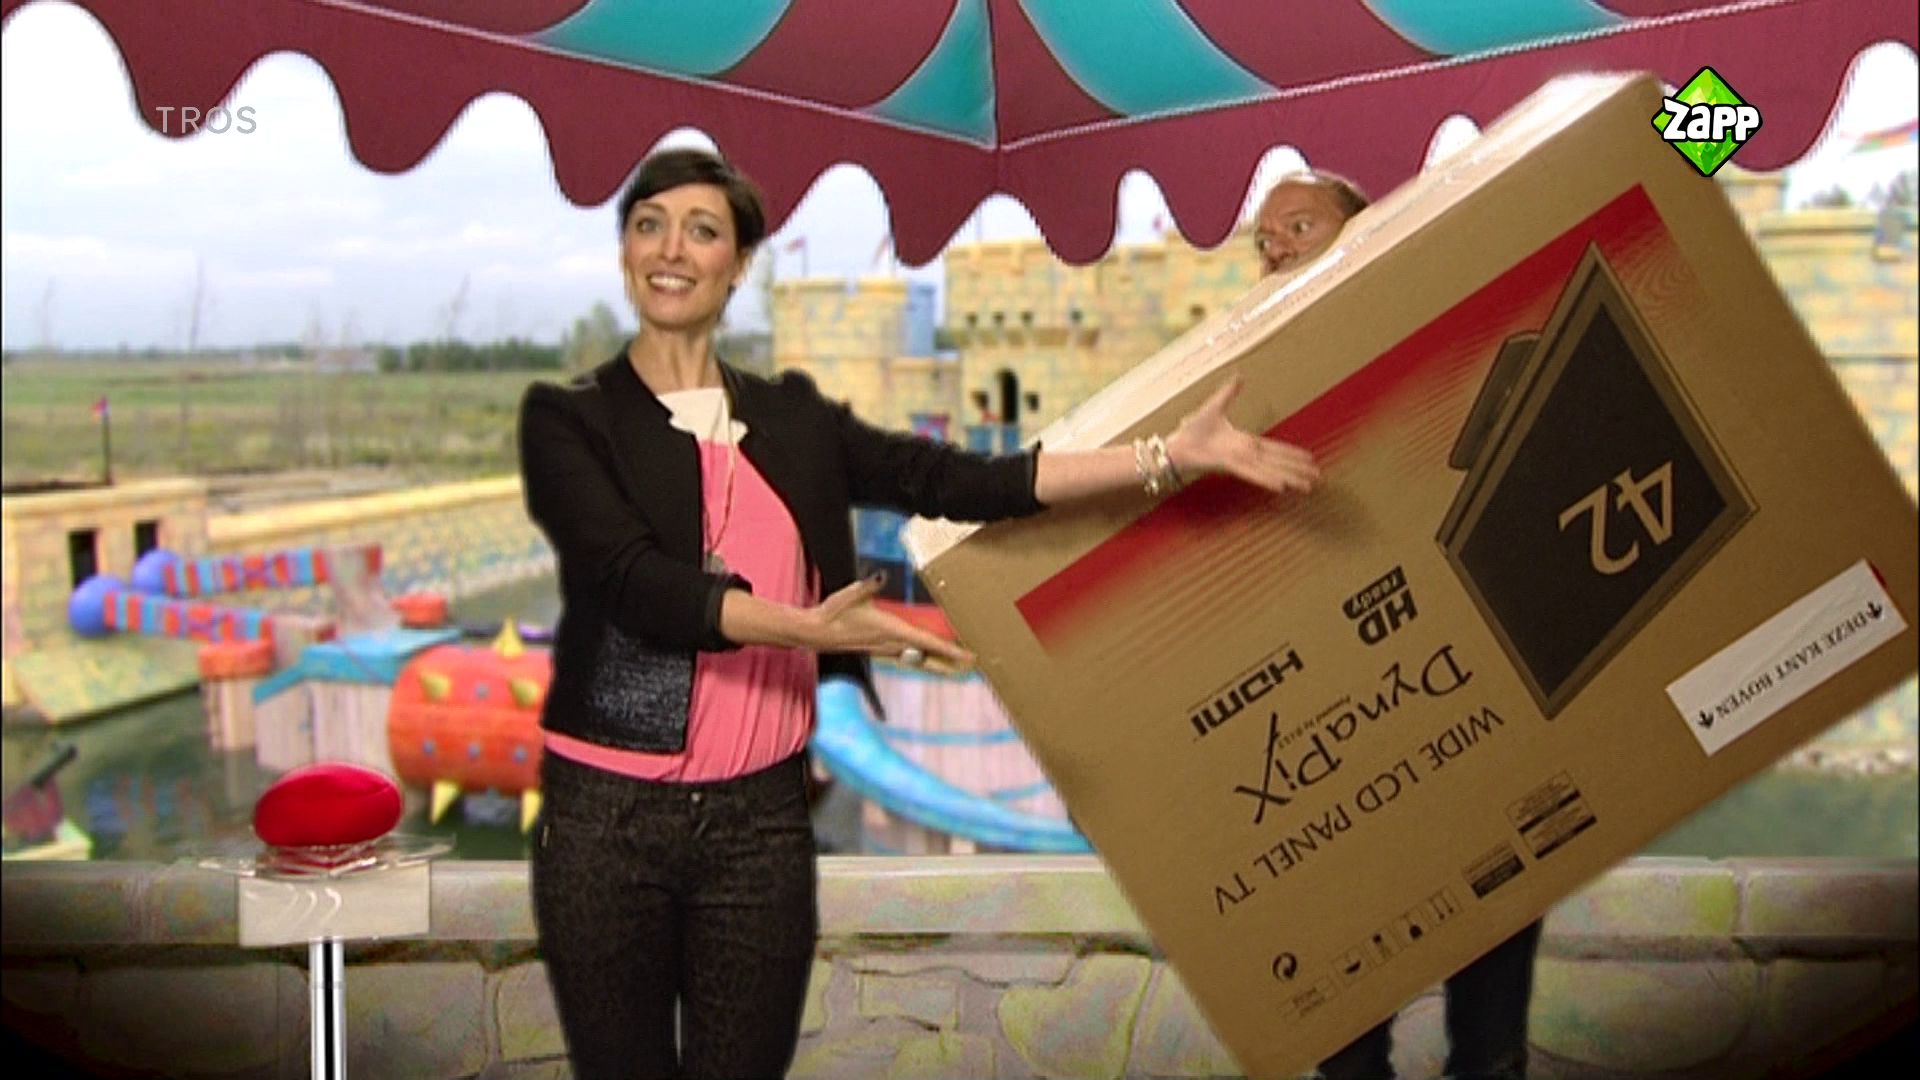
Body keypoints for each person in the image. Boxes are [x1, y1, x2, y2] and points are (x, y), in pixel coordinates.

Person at [517, 146, 1323, 1080]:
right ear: (624, 252)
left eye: (702, 230)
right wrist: (809, 629)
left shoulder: (795, 420)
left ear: (738, 264)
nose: (671, 249)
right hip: (608, 819)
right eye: (649, 226)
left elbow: (964, 480)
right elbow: (633, 582)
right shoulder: (568, 419)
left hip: (758, 823)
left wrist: (1165, 458)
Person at [1254, 169, 1545, 1080]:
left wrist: (1701, 113)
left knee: (1491, 1036)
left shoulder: (1440, 330)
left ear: (1362, 230)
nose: (1275, 247)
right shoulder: (1246, 393)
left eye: (1299, 226)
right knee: (1345, 1046)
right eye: (1263, 240)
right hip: (1337, 738)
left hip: (1466, 705)